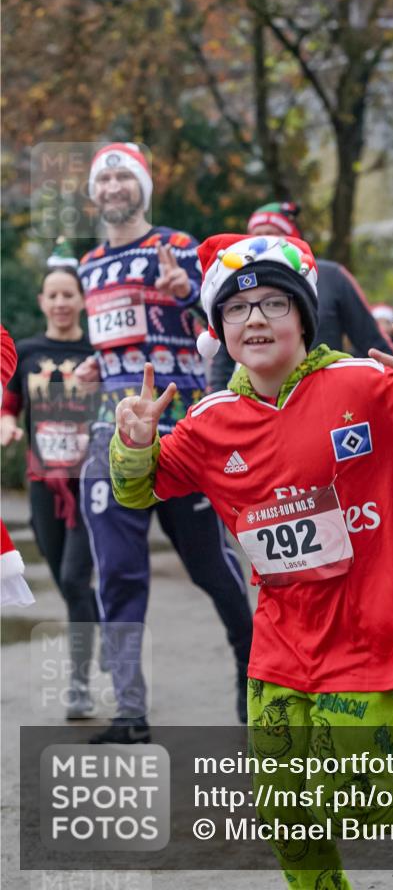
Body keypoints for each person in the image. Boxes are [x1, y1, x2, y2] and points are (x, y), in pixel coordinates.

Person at [109, 231, 393, 890]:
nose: (254, 318)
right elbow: (136, 490)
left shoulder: (367, 384)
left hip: (367, 630)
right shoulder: (208, 421)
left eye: (272, 304)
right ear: (218, 327)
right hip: (281, 640)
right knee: (283, 807)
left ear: (303, 315)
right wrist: (134, 443)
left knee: (357, 795)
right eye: (236, 308)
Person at [75, 142, 253, 742]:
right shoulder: (88, 265)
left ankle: (254, 673)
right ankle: (130, 714)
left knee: (212, 569)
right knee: (118, 576)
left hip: (180, 435)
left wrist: (185, 295)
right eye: (104, 178)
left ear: (142, 187)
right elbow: (113, 344)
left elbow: (233, 328)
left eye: (124, 175)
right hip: (112, 435)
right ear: (95, 193)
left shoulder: (180, 249)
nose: (113, 185)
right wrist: (94, 369)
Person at [1, 257, 99, 713]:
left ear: (82, 300)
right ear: (42, 302)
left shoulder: (98, 350)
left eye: (68, 294)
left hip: (91, 484)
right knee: (66, 580)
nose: (61, 302)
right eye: (53, 295)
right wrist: (7, 425)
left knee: (77, 579)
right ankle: (93, 623)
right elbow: (9, 404)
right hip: (43, 486)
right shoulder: (27, 351)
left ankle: (79, 685)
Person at [210, 201, 393, 391]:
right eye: (255, 237)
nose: (263, 243)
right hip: (260, 402)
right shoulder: (241, 283)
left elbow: (372, 339)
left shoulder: (332, 276)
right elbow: (226, 349)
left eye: (271, 234)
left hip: (328, 398)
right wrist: (216, 401)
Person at [0, 324, 35, 609]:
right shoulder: (30, 350)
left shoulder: (90, 350)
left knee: (74, 577)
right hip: (42, 476)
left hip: (80, 473)